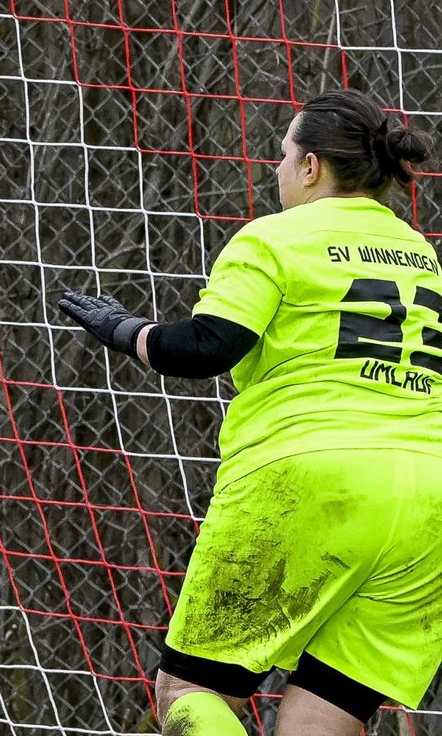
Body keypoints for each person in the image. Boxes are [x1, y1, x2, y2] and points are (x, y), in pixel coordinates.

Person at [60, 90, 442, 736]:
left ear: (312, 166)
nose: (276, 168)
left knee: (190, 689)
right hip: (427, 499)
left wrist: (126, 330)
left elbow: (208, 346)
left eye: (284, 154)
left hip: (310, 480)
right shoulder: (419, 253)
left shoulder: (275, 238)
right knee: (321, 718)